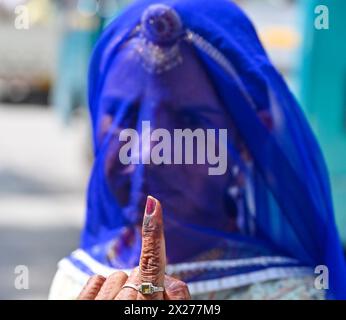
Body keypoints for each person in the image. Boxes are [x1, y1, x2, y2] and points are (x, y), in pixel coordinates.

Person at [49, 0, 346, 300]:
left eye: (188, 121)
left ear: (243, 142)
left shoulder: (293, 293)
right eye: (125, 114)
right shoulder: (77, 277)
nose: (150, 150)